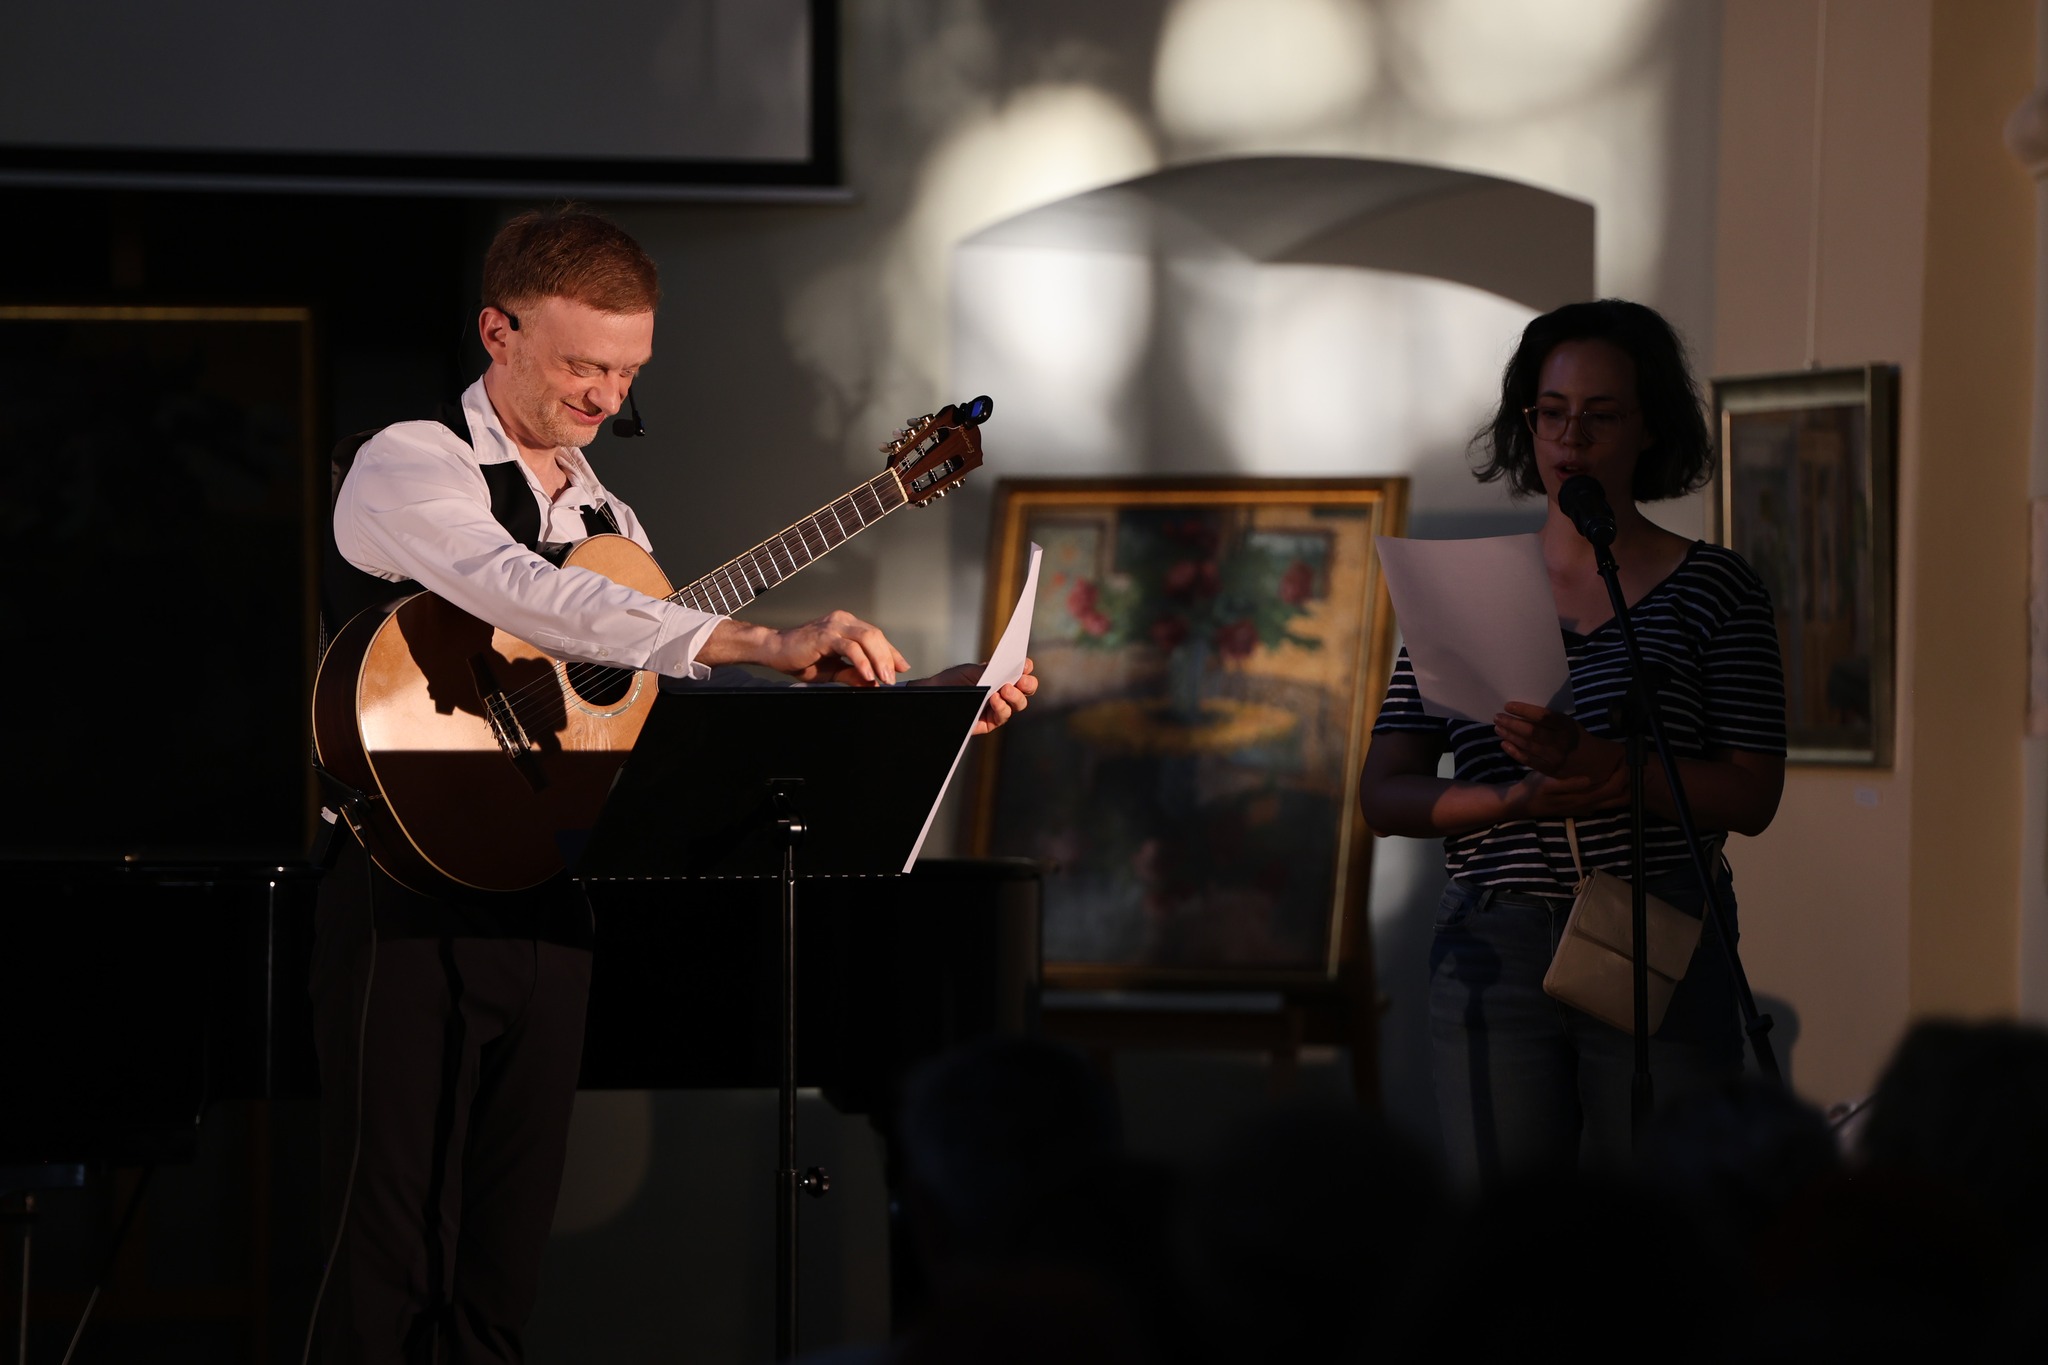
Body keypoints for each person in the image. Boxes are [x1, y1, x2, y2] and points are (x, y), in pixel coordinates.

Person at [309, 205, 1037, 1364]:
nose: (606, 397)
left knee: (504, 1262)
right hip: (405, 890)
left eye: (628, 371)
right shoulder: (413, 462)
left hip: (552, 891)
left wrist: (922, 698)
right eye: (582, 367)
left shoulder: (611, 521)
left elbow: (668, 702)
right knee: (388, 1252)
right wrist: (752, 637)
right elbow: (516, 588)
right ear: (496, 332)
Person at [1358, 298, 1785, 1187]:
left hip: (1655, 922)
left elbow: (1752, 795)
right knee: (1511, 1231)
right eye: (1550, 413)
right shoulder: (1469, 588)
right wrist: (1514, 798)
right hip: (1493, 934)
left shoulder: (1715, 587)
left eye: (1600, 416)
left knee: (1665, 1216)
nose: (1571, 439)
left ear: (1649, 426)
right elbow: (1385, 793)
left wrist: (1608, 769)